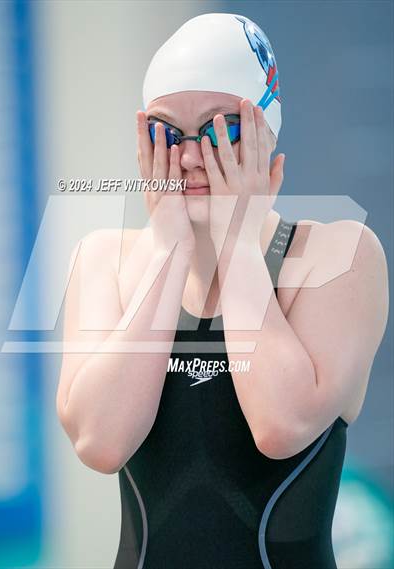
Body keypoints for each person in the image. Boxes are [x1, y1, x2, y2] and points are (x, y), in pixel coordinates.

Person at [56, 13, 389, 569]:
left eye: (219, 130)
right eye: (167, 132)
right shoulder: (103, 260)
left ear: (266, 131)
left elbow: (281, 426)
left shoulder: (340, 255)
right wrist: (169, 246)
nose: (189, 157)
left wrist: (235, 243)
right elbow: (101, 441)